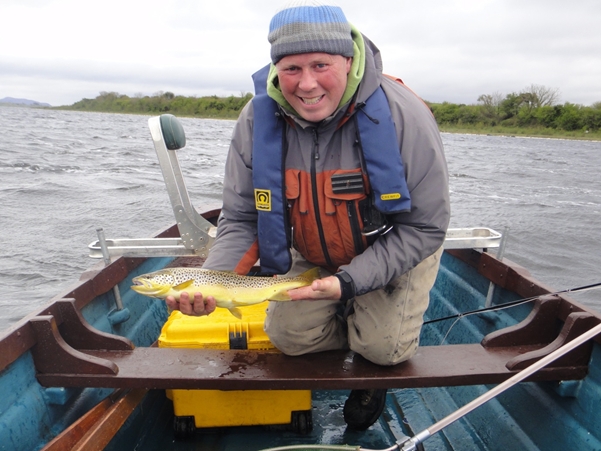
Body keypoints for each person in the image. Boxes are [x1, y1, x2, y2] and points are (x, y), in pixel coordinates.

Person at [166, 0, 450, 431]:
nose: (306, 83)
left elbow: (426, 226)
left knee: (384, 348)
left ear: (349, 60)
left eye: (321, 64)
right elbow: (243, 217)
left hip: (392, 246)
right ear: (276, 68)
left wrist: (349, 282)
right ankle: (345, 316)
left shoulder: (403, 114)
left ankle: (370, 367)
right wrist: (212, 281)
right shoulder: (255, 120)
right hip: (312, 249)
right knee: (290, 339)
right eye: (292, 69)